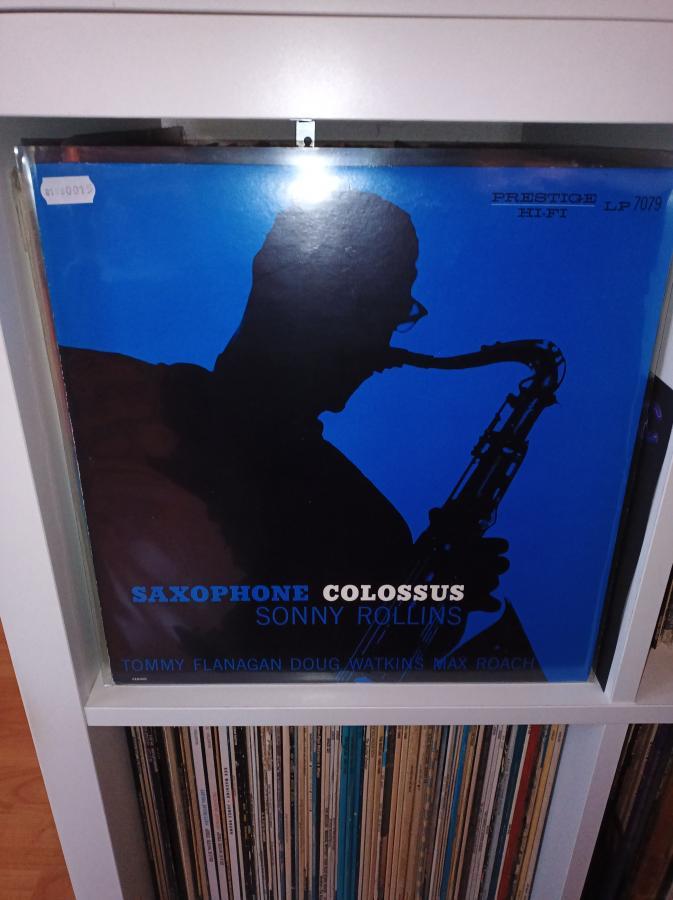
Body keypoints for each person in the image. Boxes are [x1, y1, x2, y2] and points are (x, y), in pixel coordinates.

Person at [61, 190, 542, 680]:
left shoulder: (376, 530)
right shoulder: (81, 390)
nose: (383, 340)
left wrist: (433, 607)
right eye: (373, 304)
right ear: (274, 285)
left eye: (397, 312)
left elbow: (369, 679)